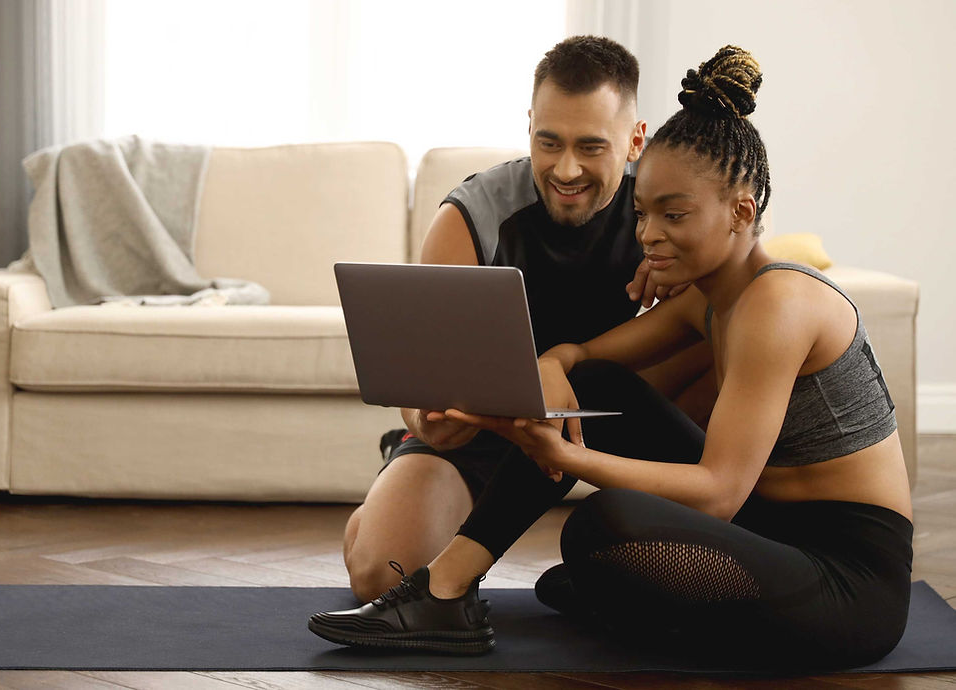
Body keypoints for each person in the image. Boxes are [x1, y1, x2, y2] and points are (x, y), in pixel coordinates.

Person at [309, 45, 913, 670]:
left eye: (673, 215)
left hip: (847, 582)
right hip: (768, 533)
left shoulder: (778, 302)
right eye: (644, 213)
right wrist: (552, 368)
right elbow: (583, 360)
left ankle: (592, 593)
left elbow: (717, 496)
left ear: (742, 211)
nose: (649, 234)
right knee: (593, 387)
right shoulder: (706, 298)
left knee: (603, 526)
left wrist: (569, 455)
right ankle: (447, 591)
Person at [340, 34, 711, 606]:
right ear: (530, 128)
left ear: (635, 140)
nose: (567, 169)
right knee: (383, 575)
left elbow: (746, 292)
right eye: (549, 142)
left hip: (609, 426)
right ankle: (388, 503)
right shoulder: (471, 217)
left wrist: (687, 293)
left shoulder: (665, 211)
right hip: (485, 437)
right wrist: (427, 418)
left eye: (591, 146)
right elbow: (420, 381)